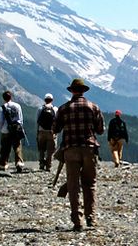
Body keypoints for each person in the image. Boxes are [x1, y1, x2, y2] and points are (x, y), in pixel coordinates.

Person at [53, 78, 105, 231]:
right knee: (90, 183)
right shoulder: (93, 107)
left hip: (70, 149)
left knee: (73, 185)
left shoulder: (63, 108)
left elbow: (55, 128)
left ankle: (77, 219)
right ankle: (91, 217)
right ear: (84, 91)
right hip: (89, 149)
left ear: (71, 91)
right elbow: (100, 129)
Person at [0, 90, 25, 172]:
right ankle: (19, 163)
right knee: (17, 146)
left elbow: (0, 121)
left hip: (5, 130)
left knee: (5, 148)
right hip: (16, 129)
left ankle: (3, 164)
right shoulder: (17, 106)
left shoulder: (2, 107)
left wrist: (2, 129)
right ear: (11, 97)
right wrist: (20, 127)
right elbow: (20, 118)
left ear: (3, 98)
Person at [36, 93, 58, 171]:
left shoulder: (40, 109)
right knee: (50, 150)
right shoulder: (55, 109)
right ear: (52, 100)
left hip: (41, 131)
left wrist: (38, 131)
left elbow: (38, 121)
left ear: (45, 100)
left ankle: (41, 164)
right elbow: (57, 121)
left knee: (41, 149)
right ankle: (48, 166)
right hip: (51, 132)